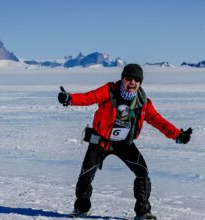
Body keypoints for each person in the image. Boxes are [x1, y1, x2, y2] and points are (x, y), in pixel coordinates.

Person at [58, 64, 192, 220]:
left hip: (124, 143)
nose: (132, 82)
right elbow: (90, 97)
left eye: (136, 80)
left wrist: (177, 135)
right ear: (123, 79)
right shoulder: (109, 91)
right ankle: (81, 208)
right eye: (129, 78)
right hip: (101, 142)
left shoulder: (144, 102)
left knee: (142, 172)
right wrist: (70, 99)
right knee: (86, 175)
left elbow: (157, 120)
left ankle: (143, 212)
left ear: (140, 83)